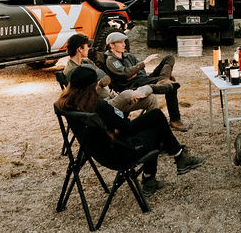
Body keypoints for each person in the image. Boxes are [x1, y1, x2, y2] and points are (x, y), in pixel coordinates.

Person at [56, 65, 204, 194]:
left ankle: (176, 158)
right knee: (156, 121)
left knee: (154, 120)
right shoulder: (99, 106)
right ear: (91, 86)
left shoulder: (65, 104)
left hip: (99, 152)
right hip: (120, 153)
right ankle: (169, 164)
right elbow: (128, 128)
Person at [103, 31, 190, 131]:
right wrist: (143, 63)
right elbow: (126, 74)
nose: (124, 44)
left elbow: (140, 71)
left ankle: (164, 79)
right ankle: (175, 120)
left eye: (124, 41)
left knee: (169, 58)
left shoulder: (128, 56)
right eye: (120, 42)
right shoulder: (111, 60)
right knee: (172, 86)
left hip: (143, 79)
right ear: (112, 45)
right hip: (132, 86)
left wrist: (135, 71)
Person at [63, 34, 158, 116]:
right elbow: (87, 93)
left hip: (110, 100)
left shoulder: (86, 61)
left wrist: (98, 81)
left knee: (151, 99)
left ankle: (150, 130)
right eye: (87, 46)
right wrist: (99, 80)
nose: (89, 48)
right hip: (102, 107)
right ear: (80, 49)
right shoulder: (72, 70)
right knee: (127, 94)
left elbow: (106, 79)